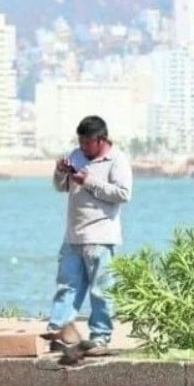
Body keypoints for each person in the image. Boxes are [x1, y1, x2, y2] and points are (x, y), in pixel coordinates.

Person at [47, 115, 133, 356]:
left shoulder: (117, 160)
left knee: (101, 291)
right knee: (67, 286)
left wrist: (89, 181)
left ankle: (100, 337)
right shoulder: (75, 155)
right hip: (73, 236)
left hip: (101, 236)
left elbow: (123, 194)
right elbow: (60, 186)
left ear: (101, 140)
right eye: (80, 142)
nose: (83, 148)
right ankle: (59, 331)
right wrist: (60, 172)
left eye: (87, 143)